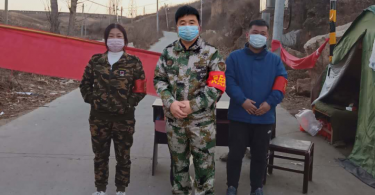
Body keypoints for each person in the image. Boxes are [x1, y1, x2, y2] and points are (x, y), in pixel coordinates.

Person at [154, 5, 226, 195]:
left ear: (199, 27)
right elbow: (159, 80)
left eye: (191, 23)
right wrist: (171, 102)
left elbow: (217, 86)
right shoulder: (168, 53)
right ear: (177, 27)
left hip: (202, 126)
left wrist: (192, 106)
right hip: (175, 124)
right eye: (182, 23)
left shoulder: (211, 53)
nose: (187, 27)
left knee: (205, 171)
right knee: (179, 172)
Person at [80, 23, 147, 195]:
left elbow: (140, 89)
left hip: (124, 119)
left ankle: (121, 190)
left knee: (123, 157)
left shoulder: (133, 62)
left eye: (119, 36)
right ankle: (100, 189)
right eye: (111, 35)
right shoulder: (96, 61)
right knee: (100, 156)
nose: (115, 39)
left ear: (125, 40)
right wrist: (94, 100)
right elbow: (85, 85)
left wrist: (129, 103)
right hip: (98, 118)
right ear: (105, 39)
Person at [225, 19, 288, 195]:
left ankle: (256, 187)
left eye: (262, 33)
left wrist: (269, 103)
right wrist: (242, 100)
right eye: (255, 32)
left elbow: (281, 83)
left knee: (260, 156)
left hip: (264, 117)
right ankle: (232, 186)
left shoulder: (275, 61)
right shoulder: (234, 58)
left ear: (267, 37)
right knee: (235, 155)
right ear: (247, 35)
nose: (258, 36)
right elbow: (229, 81)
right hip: (239, 115)